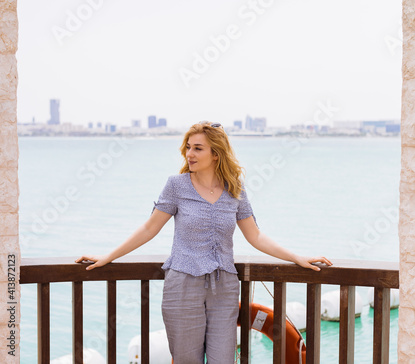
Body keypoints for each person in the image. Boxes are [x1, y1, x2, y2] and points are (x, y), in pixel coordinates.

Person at [75, 121, 332, 363]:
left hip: (224, 288)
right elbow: (149, 228)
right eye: (188, 147)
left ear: (216, 154)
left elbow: (255, 236)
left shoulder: (235, 190)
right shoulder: (176, 185)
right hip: (183, 286)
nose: (190, 154)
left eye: (198, 148)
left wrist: (297, 257)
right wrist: (107, 257)